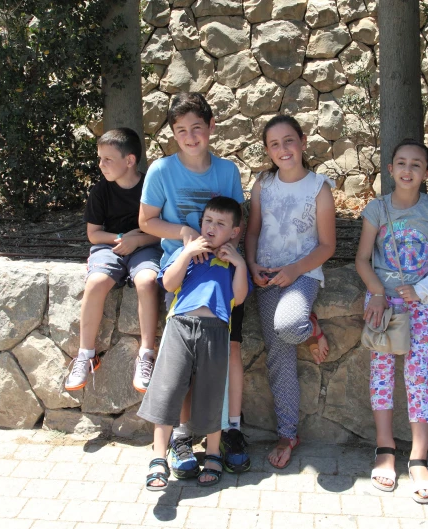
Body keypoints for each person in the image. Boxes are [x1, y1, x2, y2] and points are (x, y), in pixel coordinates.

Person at [138, 92, 251, 475]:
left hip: (222, 276)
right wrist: (186, 235)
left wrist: (230, 257)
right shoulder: (160, 171)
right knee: (180, 365)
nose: (190, 137)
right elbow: (147, 221)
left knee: (227, 354)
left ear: (211, 127)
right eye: (181, 130)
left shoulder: (227, 171)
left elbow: (237, 223)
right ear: (173, 133)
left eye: (197, 129)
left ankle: (228, 430)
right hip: (183, 273)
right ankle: (181, 436)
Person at [354, 138, 428, 503]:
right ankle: (385, 450)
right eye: (401, 163)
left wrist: (424, 291)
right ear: (390, 169)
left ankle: (418, 457)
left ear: (427, 173)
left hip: (421, 303)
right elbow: (363, 259)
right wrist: (378, 293)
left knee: (417, 376)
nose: (408, 170)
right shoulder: (377, 209)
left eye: (416, 164)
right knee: (381, 372)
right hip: (382, 303)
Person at [139, 197, 251, 490]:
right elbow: (168, 284)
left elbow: (238, 298)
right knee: (168, 387)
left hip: (216, 330)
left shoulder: (232, 263)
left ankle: (213, 454)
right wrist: (187, 252)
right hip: (180, 326)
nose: (212, 228)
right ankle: (158, 458)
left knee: (212, 392)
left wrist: (238, 262)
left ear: (234, 231)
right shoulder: (188, 254)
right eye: (208, 221)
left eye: (221, 224)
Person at [244, 115, 336, 470]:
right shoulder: (263, 185)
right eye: (274, 144)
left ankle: (311, 329)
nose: (283, 149)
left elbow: (327, 245)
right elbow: (252, 232)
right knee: (278, 356)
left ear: (302, 140)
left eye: (289, 140)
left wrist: (295, 270)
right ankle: (287, 434)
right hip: (266, 276)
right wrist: (252, 266)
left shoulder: (319, 188)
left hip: (301, 275)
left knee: (289, 325)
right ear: (268, 151)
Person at [64, 128, 162, 393]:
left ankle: (146, 355)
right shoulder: (100, 192)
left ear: (129, 161)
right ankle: (86, 355)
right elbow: (93, 234)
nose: (101, 165)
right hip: (111, 246)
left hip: (146, 246)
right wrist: (121, 238)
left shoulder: (151, 187)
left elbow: (164, 230)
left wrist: (139, 240)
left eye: (108, 159)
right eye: (100, 159)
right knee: (95, 282)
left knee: (147, 281)